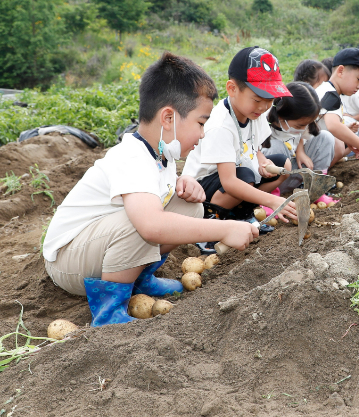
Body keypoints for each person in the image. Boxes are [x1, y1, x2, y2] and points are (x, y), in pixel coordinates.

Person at [42, 52, 259, 327]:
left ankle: (139, 278)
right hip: (67, 262)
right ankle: (109, 311)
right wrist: (225, 228)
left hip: (97, 252)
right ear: (168, 118)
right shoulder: (132, 156)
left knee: (188, 206)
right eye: (201, 123)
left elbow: (159, 201)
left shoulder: (160, 153)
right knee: (143, 223)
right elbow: (151, 226)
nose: (203, 134)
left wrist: (182, 183)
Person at [182, 46, 299, 252]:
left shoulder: (256, 113)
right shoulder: (220, 125)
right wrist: (273, 200)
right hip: (202, 189)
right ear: (232, 89)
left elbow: (255, 149)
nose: (263, 107)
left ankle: (242, 213)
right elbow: (229, 181)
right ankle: (213, 223)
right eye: (257, 99)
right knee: (244, 176)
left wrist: (263, 162)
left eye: (270, 100)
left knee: (283, 164)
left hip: (237, 174)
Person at [262, 81, 335, 199]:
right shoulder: (262, 121)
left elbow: (301, 135)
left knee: (325, 137)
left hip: (293, 174)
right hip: (268, 179)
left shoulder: (298, 121)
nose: (304, 129)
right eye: (299, 126)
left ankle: (316, 190)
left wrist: (300, 151)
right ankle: (270, 196)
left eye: (307, 124)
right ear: (281, 117)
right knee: (276, 147)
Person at [315, 48, 359, 165]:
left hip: (309, 144)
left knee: (339, 143)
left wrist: (351, 141)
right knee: (338, 145)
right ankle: (314, 176)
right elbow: (333, 126)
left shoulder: (327, 89)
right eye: (358, 79)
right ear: (340, 71)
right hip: (304, 148)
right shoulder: (330, 95)